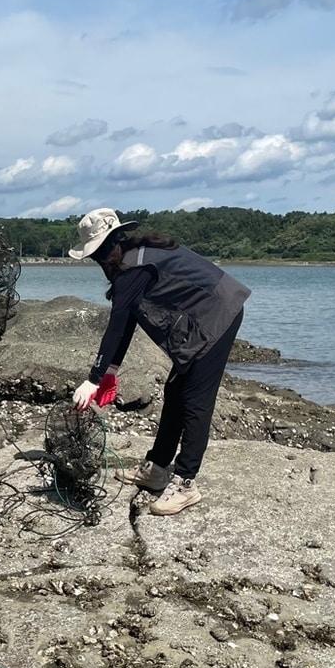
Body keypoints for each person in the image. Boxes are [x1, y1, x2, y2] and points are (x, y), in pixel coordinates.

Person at [69, 208, 250, 516]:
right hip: (198, 319)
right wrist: (110, 371)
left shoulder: (133, 268)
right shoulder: (132, 257)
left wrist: (93, 379)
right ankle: (158, 469)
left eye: (96, 254)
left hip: (218, 314)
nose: (97, 262)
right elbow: (127, 321)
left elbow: (117, 323)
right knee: (175, 391)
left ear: (107, 245)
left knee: (196, 400)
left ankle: (186, 483)